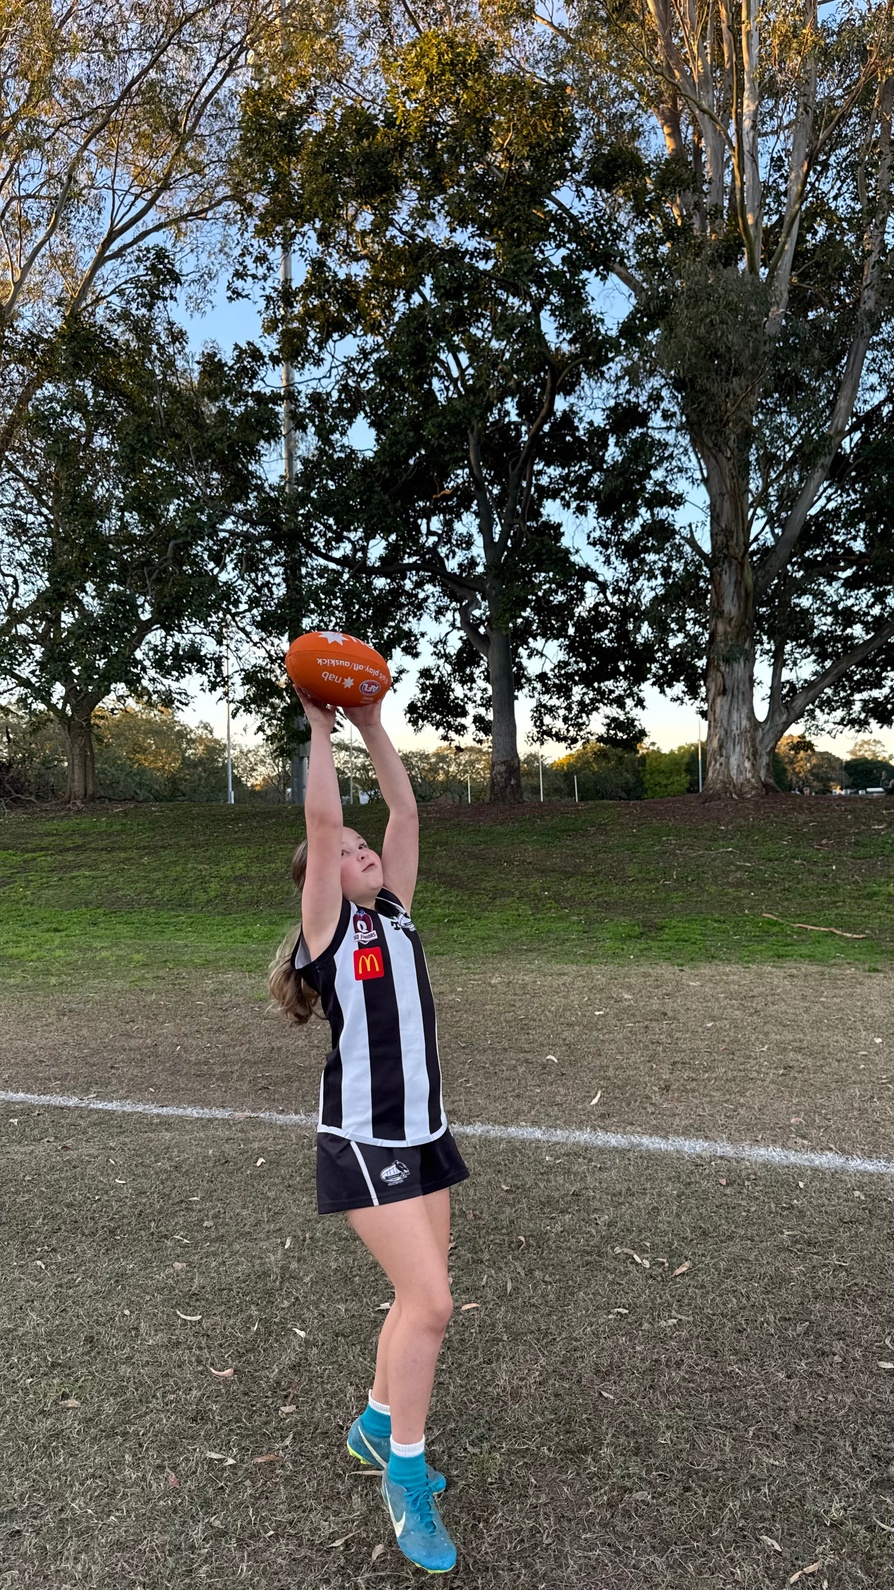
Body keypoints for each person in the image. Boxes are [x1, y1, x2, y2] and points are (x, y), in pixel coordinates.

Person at [269, 686, 469, 1575]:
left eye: (364, 847)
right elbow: (321, 827)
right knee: (432, 1304)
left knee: (415, 1298)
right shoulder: (328, 933)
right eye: (347, 853)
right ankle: (405, 1473)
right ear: (324, 879)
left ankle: (376, 1424)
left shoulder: (397, 912)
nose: (361, 851)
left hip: (423, 1132)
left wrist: (373, 727)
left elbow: (405, 811)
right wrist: (319, 731)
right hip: (365, 1138)